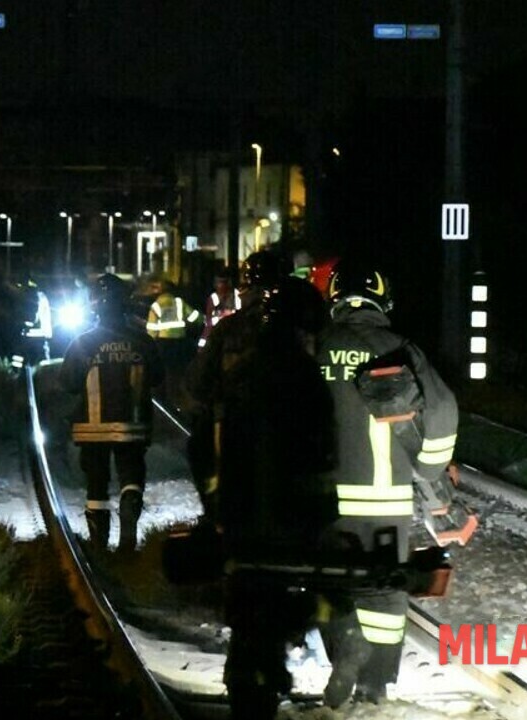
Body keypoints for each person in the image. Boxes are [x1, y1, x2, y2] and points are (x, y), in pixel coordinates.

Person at [314, 259, 472, 707]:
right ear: (383, 299)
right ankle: (374, 683)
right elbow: (441, 413)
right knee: (384, 590)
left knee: (329, 579)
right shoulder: (400, 348)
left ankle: (343, 652)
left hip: (323, 501)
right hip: (385, 501)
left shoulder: (313, 347)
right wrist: (429, 467)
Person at [207, 276, 337, 720]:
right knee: (283, 603)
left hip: (242, 520)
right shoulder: (308, 380)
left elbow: (206, 440)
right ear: (305, 330)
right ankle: (271, 673)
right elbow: (323, 456)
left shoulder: (241, 373)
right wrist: (323, 519)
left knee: (249, 609)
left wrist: (216, 506)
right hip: (292, 522)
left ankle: (249, 684)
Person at [59, 273, 164, 553]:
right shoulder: (143, 342)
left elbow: (67, 382)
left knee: (96, 482)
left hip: (92, 430)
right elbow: (158, 378)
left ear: (95, 307)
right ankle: (129, 510)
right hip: (133, 426)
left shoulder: (83, 343)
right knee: (131, 473)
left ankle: (98, 543)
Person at [185, 250, 291, 515]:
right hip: (293, 428)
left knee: (199, 446)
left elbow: (197, 382)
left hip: (235, 427)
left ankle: (217, 513)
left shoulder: (229, 329)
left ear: (244, 288)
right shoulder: (303, 327)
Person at [145, 280, 200, 401]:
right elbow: (195, 317)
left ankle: (166, 398)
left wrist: (150, 343)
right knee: (178, 372)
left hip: (164, 344)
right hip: (180, 342)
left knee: (165, 372)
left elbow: (152, 329)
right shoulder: (178, 302)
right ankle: (177, 397)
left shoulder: (156, 305)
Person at [199, 266, 240, 349]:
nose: (221, 285)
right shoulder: (213, 298)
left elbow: (241, 313)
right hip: (218, 334)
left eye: (223, 282)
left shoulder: (237, 295)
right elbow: (209, 322)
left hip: (234, 334)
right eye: (219, 282)